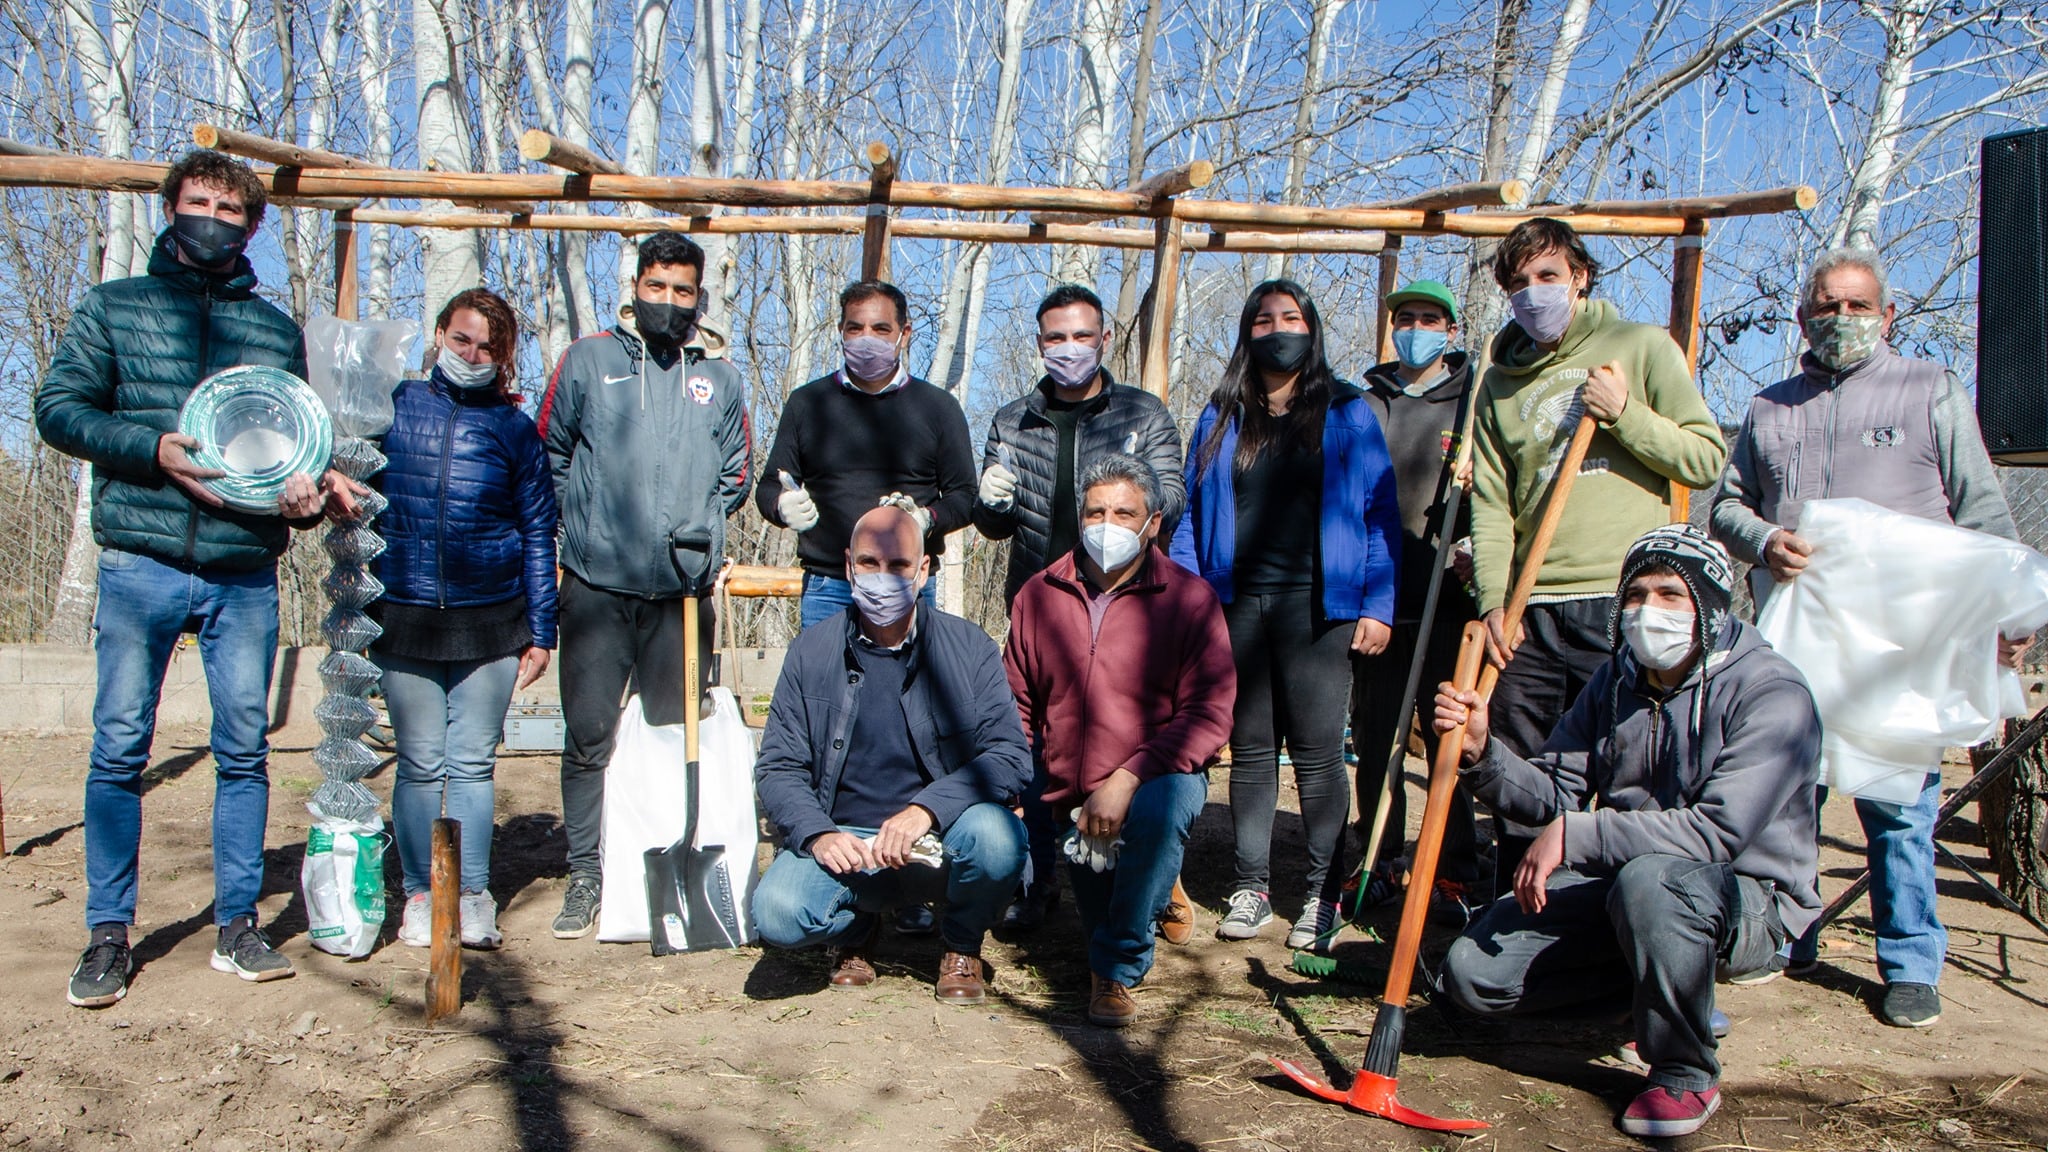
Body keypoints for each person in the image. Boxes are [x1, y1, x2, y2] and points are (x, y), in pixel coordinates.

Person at [1709, 247, 2029, 1028]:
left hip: (1902, 645)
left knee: (1899, 806)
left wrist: (2012, 616)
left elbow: (1982, 510)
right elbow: (1725, 505)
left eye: (1858, 306)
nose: (1841, 319)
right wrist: (1762, 541)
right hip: (1798, 635)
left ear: (1888, 316)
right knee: (1788, 792)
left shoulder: (1930, 390)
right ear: (1801, 318)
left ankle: (1910, 960)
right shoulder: (1768, 406)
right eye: (1827, 305)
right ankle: (1789, 934)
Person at [37, 148, 327, 1006]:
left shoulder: (274, 332)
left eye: (230, 210)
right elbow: (59, 409)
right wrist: (150, 448)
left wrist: (304, 502)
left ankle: (239, 924)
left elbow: (290, 457)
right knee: (120, 747)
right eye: (198, 201)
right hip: (141, 561)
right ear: (172, 209)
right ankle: (107, 933)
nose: (212, 218)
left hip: (242, 571)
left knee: (244, 752)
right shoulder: (115, 308)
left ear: (253, 226)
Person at [1433, 524, 1822, 1138]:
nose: (1647, 611)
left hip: (1749, 902)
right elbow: (1555, 789)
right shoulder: (1617, 680)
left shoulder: (1772, 692)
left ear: (1712, 606)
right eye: (1635, 594)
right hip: (1626, 891)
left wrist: (1579, 835)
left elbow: (1718, 834)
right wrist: (1485, 752)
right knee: (1473, 975)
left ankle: (1683, 1071)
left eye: (1671, 594)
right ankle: (1650, 995)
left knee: (1654, 882)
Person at [1469, 217, 1726, 888]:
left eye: (1548, 276)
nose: (1534, 293)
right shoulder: (1499, 382)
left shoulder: (1638, 348)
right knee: (1521, 768)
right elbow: (1492, 506)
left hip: (1620, 602)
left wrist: (1624, 414)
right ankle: (1515, 910)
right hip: (1531, 608)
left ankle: (1612, 912)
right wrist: (1496, 603)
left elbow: (1703, 457)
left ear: (1580, 277)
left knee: (1624, 763)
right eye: (1519, 284)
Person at [1169, 278, 1401, 950]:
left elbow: (1380, 514)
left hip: (1319, 607)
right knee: (1251, 752)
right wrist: (1187, 600)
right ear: (1248, 333)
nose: (1278, 329)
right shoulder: (1219, 416)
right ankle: (1250, 888)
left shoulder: (1349, 412)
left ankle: (1321, 896)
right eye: (1264, 319)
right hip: (1235, 606)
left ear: (1312, 328)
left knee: (1321, 755)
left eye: (1291, 317)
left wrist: (1379, 604)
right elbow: (1189, 518)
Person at [536, 232, 752, 940]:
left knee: (670, 736)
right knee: (591, 734)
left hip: (680, 596)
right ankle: (586, 873)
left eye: (682, 291)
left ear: (700, 299)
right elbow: (554, 451)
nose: (668, 302)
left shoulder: (718, 378)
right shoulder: (589, 360)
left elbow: (736, 474)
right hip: (598, 587)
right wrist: (586, 525)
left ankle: (653, 866)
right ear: (635, 288)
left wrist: (698, 529)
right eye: (656, 287)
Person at [751, 506, 1032, 1003]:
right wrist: (817, 834)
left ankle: (961, 942)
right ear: (848, 566)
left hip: (939, 837)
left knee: (997, 836)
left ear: (923, 569)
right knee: (777, 915)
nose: (883, 578)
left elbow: (1010, 754)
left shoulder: (969, 648)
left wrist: (927, 808)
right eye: (868, 563)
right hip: (849, 844)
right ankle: (853, 933)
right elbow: (778, 767)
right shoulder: (810, 651)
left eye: (899, 565)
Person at [973, 284, 1186, 931]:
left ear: (1103, 340)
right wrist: (992, 499)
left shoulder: (1141, 414)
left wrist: (1128, 507)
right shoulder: (1013, 421)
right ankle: (1036, 883)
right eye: (1056, 338)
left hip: (1125, 605)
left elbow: (1171, 496)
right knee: (1034, 744)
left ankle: (1154, 884)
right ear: (1040, 345)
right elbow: (991, 526)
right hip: (1042, 605)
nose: (1069, 348)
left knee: (1134, 738)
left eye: (1081, 336)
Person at [1004, 456, 1234, 1025]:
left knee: (1150, 834)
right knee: (1102, 895)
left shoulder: (1190, 600)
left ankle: (1115, 969)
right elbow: (1015, 705)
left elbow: (1210, 712)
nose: (1108, 523)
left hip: (1155, 776)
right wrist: (1011, 784)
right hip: (1069, 788)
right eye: (1096, 511)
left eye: (1124, 512)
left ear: (1153, 522)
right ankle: (1157, 883)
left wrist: (1128, 778)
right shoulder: (1038, 594)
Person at [371, 288, 557, 952]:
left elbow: (539, 534)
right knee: (420, 761)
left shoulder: (514, 431)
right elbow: (357, 492)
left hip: (491, 621)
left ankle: (472, 894)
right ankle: (422, 892)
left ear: (504, 358)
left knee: (473, 762)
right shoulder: (394, 407)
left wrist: (542, 628)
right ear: (440, 336)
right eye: (462, 341)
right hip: (405, 615)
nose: (473, 355)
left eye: (488, 348)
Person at [1350, 279, 1483, 911]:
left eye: (1430, 318)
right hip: (1379, 593)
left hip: (1447, 592)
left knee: (1444, 731)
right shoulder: (1364, 402)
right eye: (1406, 318)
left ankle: (1451, 864)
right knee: (1377, 735)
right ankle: (1377, 858)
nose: (1417, 328)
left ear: (1450, 331)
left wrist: (1475, 504)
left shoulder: (1472, 400)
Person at [756, 280, 977, 630]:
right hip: (828, 587)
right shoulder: (807, 404)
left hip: (910, 587)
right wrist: (781, 506)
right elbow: (769, 485)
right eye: (855, 328)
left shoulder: (938, 409)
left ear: (904, 334)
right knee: (824, 685)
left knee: (910, 686)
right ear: (841, 331)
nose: (866, 337)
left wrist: (926, 518)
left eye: (880, 328)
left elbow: (965, 497)